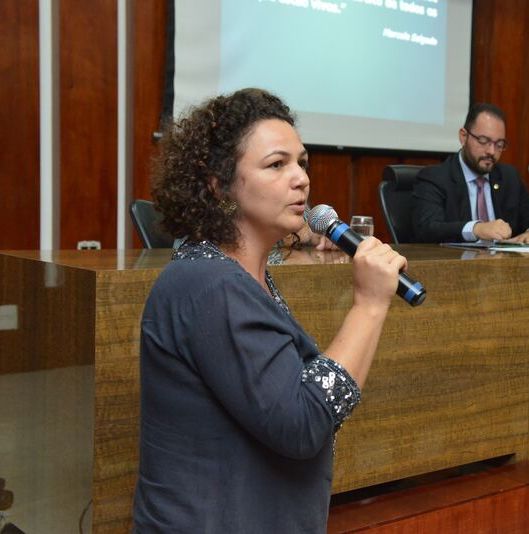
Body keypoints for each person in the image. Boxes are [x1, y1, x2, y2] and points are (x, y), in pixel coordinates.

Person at [132, 88, 407, 533]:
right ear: (219, 184)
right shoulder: (212, 285)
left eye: (302, 162)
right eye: (277, 164)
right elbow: (301, 423)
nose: (301, 179)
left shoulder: (235, 275)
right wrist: (369, 305)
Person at [411, 103, 529, 244]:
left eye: (499, 144)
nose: (491, 151)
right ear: (463, 136)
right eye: (483, 141)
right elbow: (428, 228)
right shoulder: (436, 177)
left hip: (502, 259)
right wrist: (476, 229)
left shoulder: (509, 178)